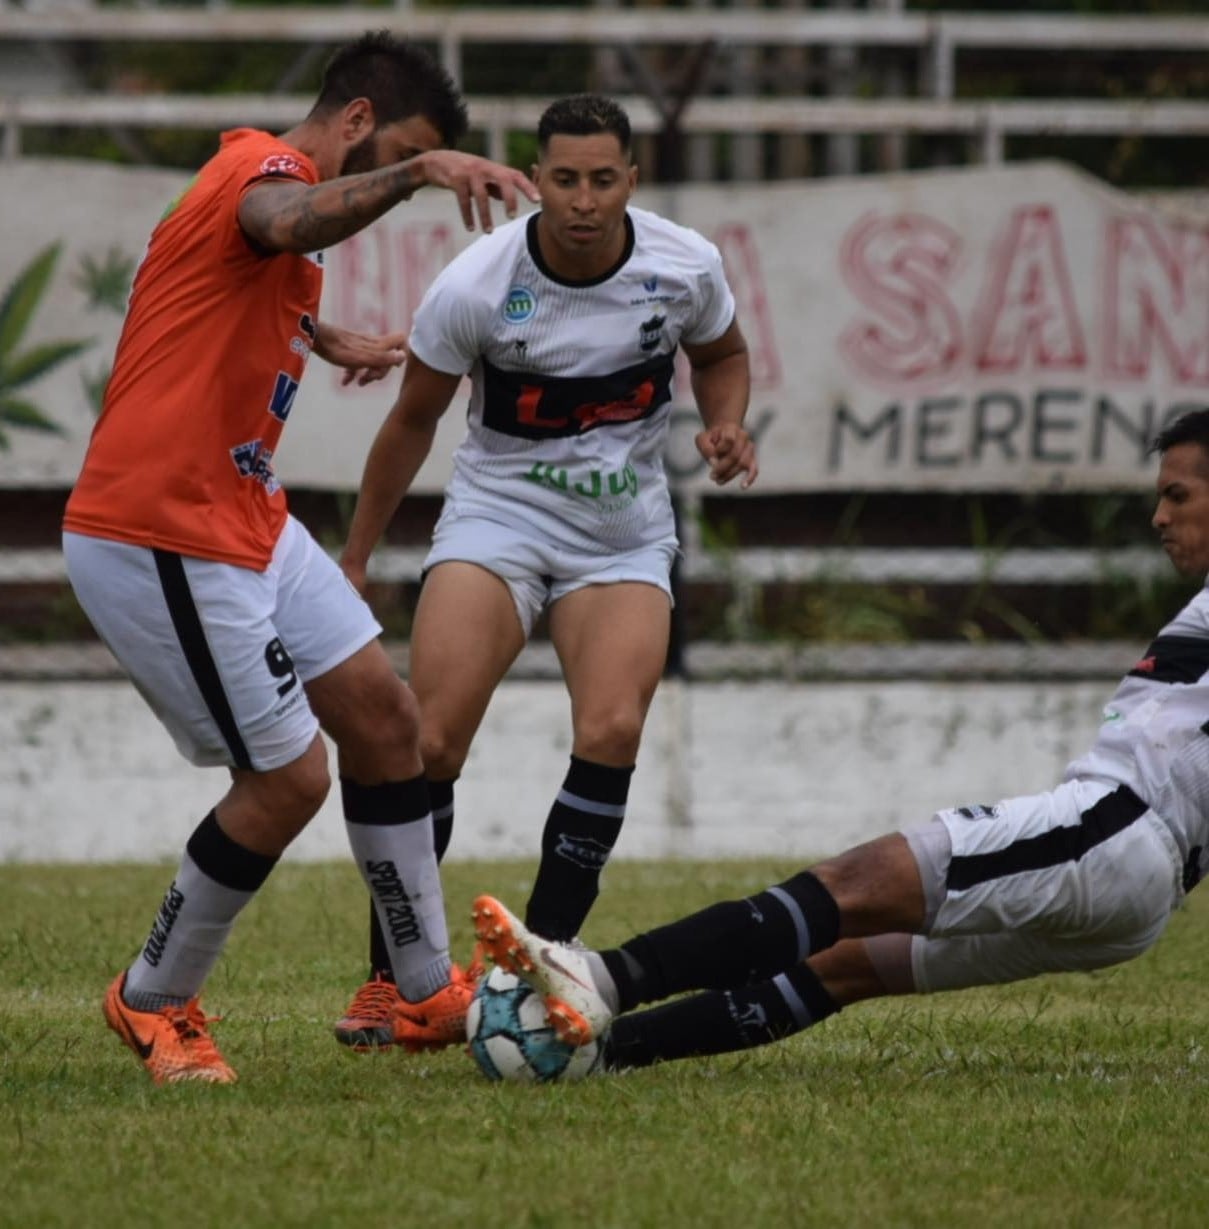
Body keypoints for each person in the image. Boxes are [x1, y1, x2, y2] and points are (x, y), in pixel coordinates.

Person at [61, 31, 538, 1085]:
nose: (401, 178)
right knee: (286, 779)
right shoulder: (263, 171)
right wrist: (419, 174)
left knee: (385, 719)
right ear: (359, 122)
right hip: (159, 527)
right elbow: (274, 221)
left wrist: (326, 338)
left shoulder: (276, 211)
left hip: (243, 516)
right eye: (398, 152)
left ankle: (420, 992)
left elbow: (231, 277)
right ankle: (152, 999)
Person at [470, 408, 1209, 1070]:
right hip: (1143, 893)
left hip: (1111, 832)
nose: (1156, 516)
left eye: (1176, 495)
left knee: (849, 886)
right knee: (848, 962)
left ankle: (601, 979)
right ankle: (598, 1051)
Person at [333, 93, 758, 1050]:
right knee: (430, 742)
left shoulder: (682, 264)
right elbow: (411, 422)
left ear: (630, 182)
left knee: (611, 725)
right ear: (536, 179)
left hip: (621, 535)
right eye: (562, 179)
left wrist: (727, 421)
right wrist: (355, 556)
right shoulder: (476, 285)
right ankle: (392, 982)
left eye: (602, 179)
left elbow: (722, 354)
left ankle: (542, 964)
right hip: (498, 521)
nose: (581, 199)